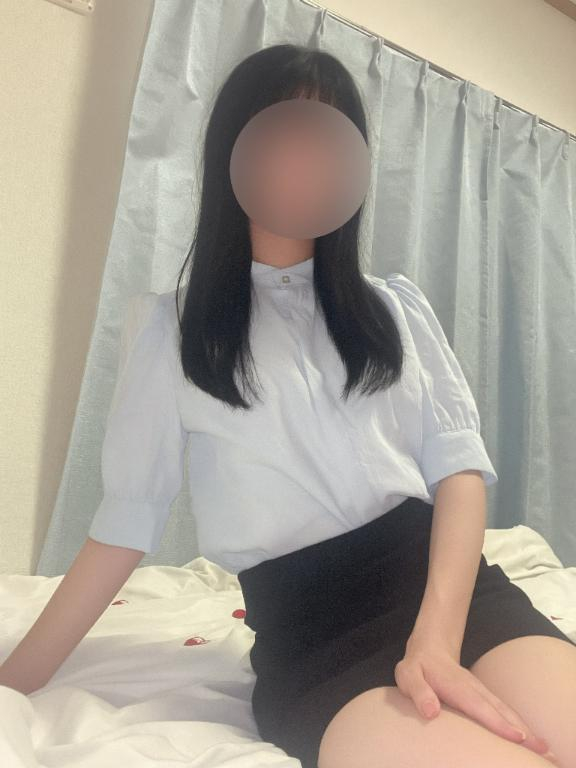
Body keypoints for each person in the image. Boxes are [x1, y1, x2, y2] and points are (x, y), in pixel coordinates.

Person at [2, 43, 574, 768]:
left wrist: (435, 638)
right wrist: (14, 679)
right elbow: (125, 521)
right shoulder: (170, 331)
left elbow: (458, 473)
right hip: (318, 643)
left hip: (456, 597)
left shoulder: (395, 309)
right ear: (234, 152)